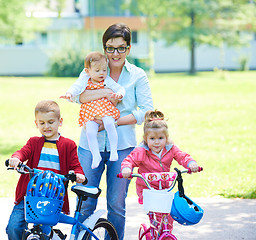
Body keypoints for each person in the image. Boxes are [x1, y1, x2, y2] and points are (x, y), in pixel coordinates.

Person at [74, 23, 154, 240]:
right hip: (90, 147)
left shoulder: (137, 75)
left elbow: (146, 112)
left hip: (123, 147)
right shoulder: (94, 68)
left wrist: (114, 121)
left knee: (116, 206)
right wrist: (107, 91)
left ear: (128, 49)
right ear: (104, 48)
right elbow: (78, 96)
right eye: (110, 48)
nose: (115, 53)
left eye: (120, 48)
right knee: (85, 202)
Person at [5, 100, 86, 240]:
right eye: (42, 123)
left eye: (50, 122)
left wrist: (79, 174)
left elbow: (75, 165)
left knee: (44, 233)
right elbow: (23, 152)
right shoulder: (34, 142)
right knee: (13, 227)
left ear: (59, 122)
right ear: (36, 124)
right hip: (29, 195)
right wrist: (16, 159)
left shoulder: (68, 145)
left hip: (52, 197)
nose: (46, 126)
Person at [120, 109, 200, 232]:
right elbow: (129, 160)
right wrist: (126, 169)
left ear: (166, 138)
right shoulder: (141, 151)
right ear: (145, 139)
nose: (156, 142)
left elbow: (182, 156)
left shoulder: (170, 148)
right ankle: (156, 232)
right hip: (147, 189)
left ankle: (166, 234)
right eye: (152, 138)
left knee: (168, 215)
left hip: (164, 188)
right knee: (157, 215)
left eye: (160, 138)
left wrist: (191, 164)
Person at [60, 51, 125, 169]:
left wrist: (120, 94)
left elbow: (119, 88)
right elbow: (76, 87)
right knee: (90, 132)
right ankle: (96, 155)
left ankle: (114, 150)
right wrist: (69, 93)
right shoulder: (85, 79)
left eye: (104, 70)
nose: (102, 73)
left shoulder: (107, 80)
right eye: (97, 70)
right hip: (90, 111)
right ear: (87, 71)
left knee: (110, 124)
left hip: (105, 109)